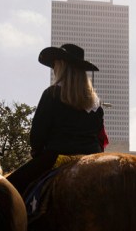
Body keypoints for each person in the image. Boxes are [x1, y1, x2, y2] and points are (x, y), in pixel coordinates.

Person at [12, 44, 107, 188]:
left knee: (7, 188)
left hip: (57, 157)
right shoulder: (96, 104)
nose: (54, 69)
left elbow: (37, 135)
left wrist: (37, 153)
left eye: (55, 65)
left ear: (62, 67)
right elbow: (100, 137)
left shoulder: (52, 94)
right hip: (93, 158)